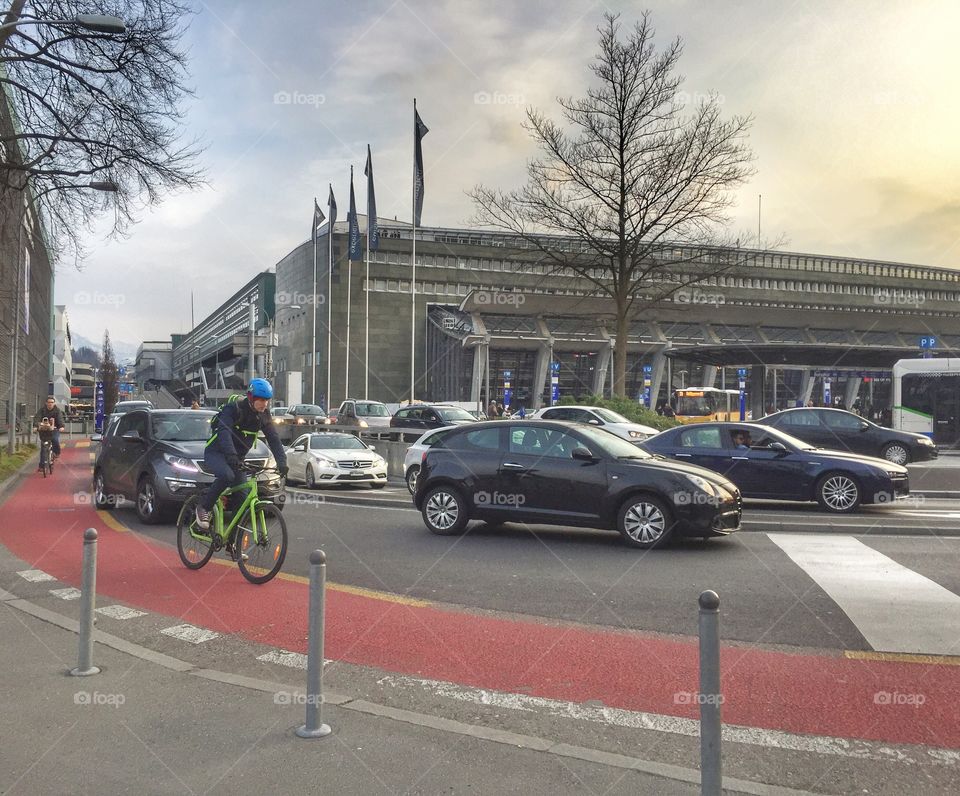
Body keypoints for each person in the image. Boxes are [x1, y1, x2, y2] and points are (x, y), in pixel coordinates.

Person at [195, 379, 288, 548]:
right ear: (251, 397)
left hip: (236, 458)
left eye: (267, 400)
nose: (264, 404)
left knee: (243, 497)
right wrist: (231, 456)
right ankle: (203, 507)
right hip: (216, 453)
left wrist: (282, 462)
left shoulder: (264, 415)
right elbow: (223, 432)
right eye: (261, 400)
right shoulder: (234, 409)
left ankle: (233, 544)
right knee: (227, 475)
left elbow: (273, 439)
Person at [33, 396, 65, 462]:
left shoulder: (57, 411)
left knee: (55, 439)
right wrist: (35, 426)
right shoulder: (42, 410)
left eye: (52, 402)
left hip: (54, 429)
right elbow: (37, 418)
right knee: (43, 448)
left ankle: (56, 452)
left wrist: (61, 426)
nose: (50, 404)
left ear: (54, 403)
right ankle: (42, 466)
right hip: (44, 430)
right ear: (46, 403)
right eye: (49, 402)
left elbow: (60, 419)